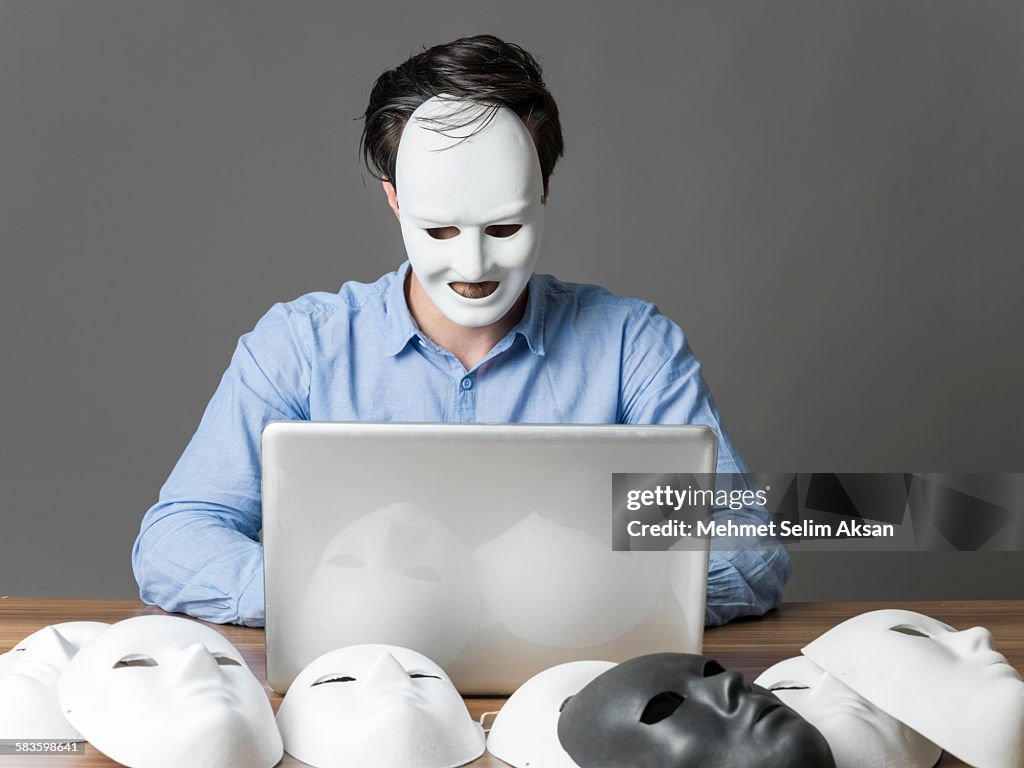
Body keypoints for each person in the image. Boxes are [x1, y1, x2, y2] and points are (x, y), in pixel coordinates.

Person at [132, 34, 790, 628]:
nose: (474, 266)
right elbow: (176, 538)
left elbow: (747, 545)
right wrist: (339, 601)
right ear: (394, 198)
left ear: (545, 193)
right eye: (440, 230)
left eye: (504, 229)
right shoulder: (303, 346)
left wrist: (578, 597)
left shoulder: (630, 348)